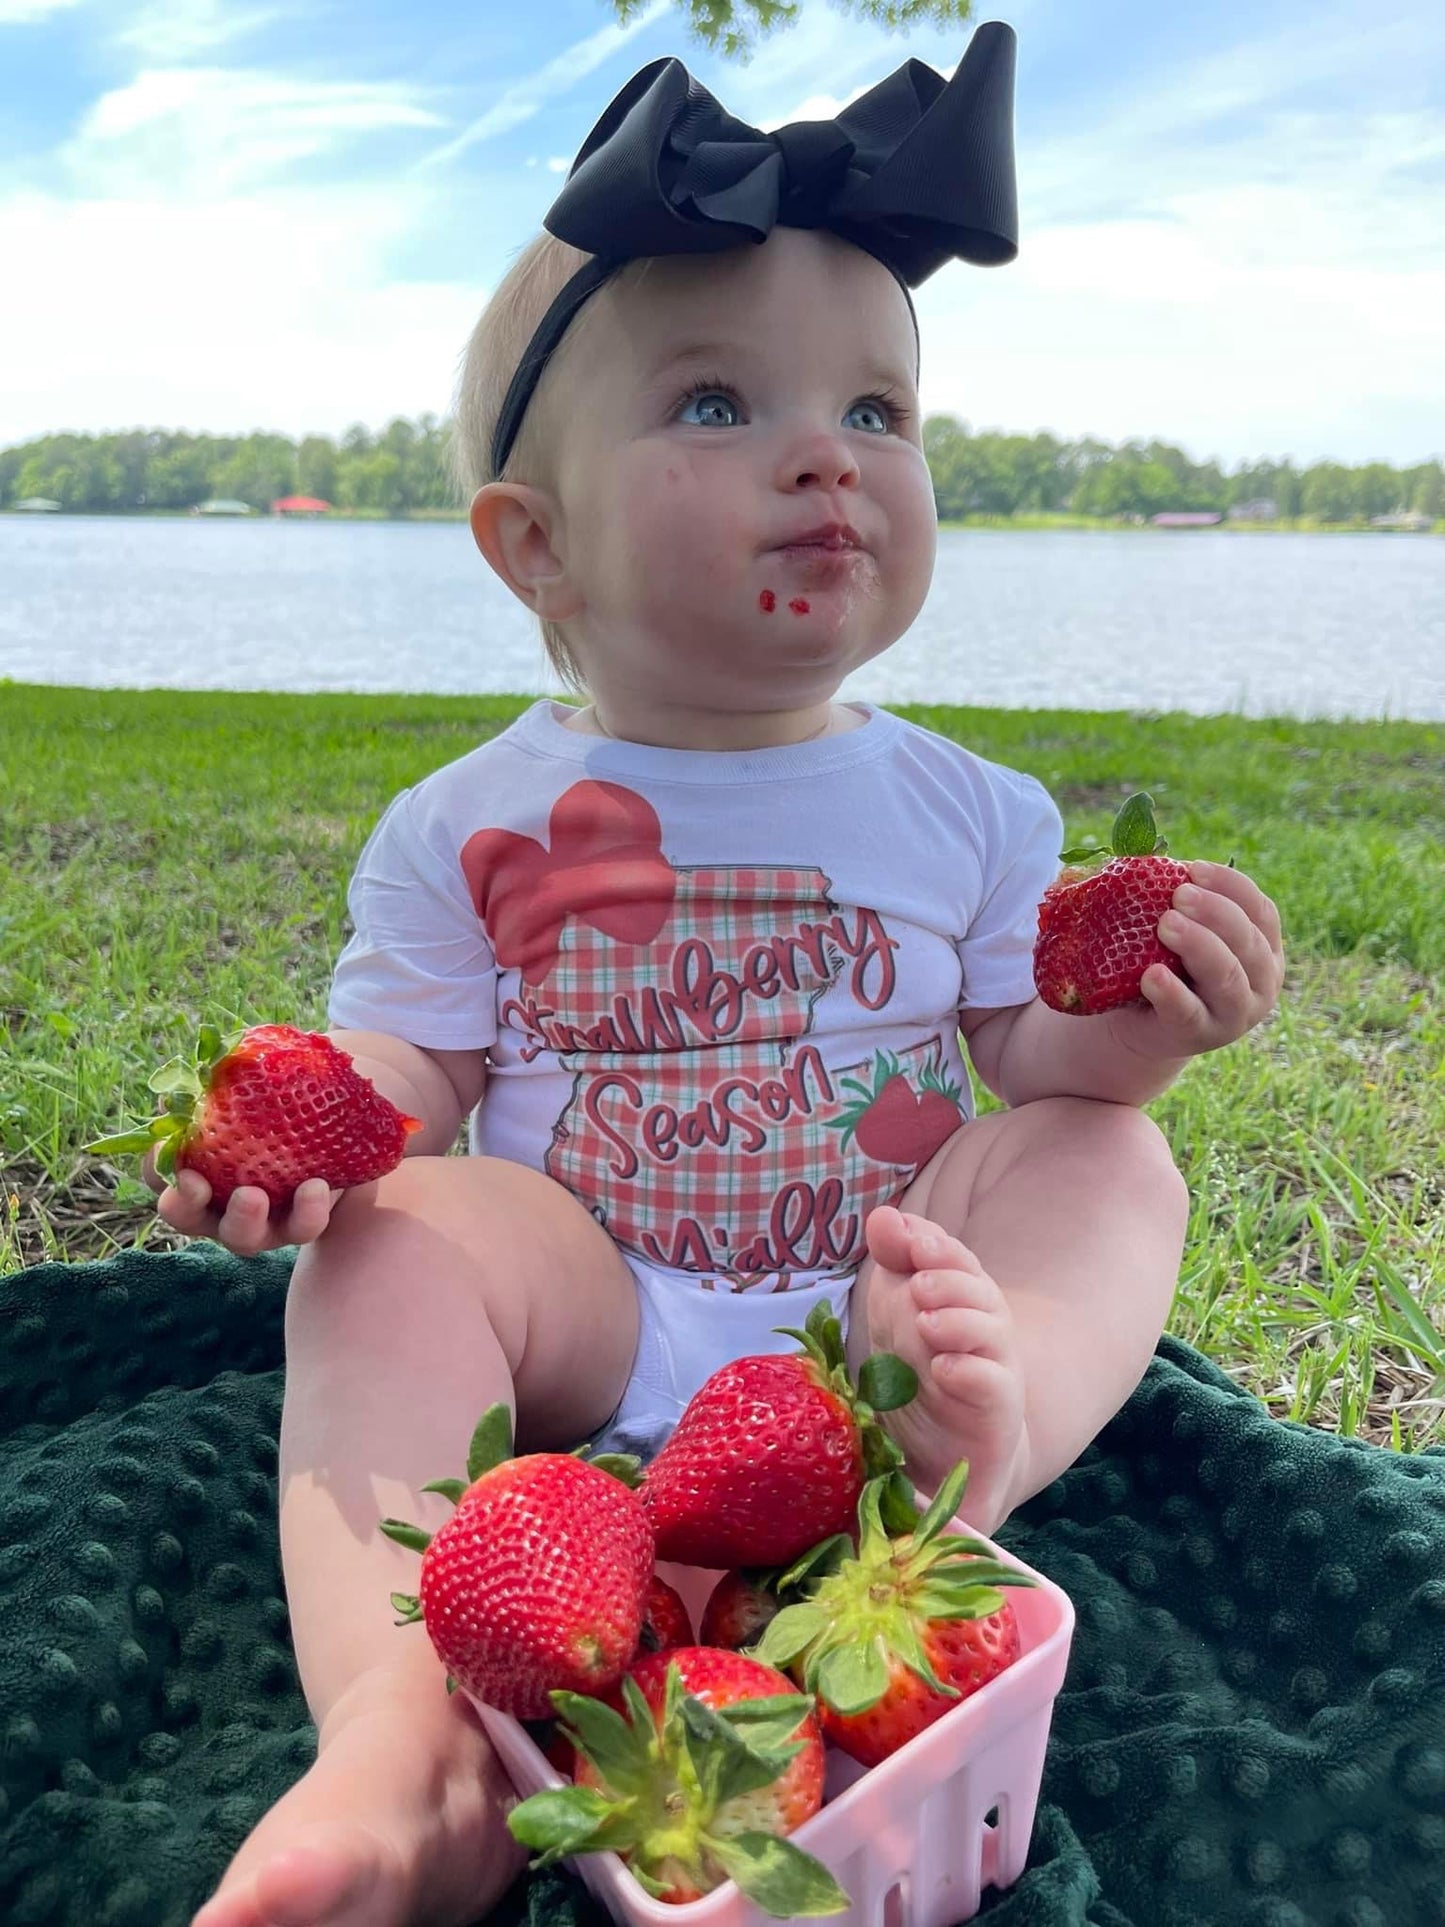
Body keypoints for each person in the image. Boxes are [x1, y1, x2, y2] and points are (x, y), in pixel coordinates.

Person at [162, 26, 1285, 1927]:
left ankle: (944, 1498)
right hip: (590, 1299)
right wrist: (307, 1140)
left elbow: (1029, 1057)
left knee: (1107, 1169)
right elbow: (408, 1071)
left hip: (874, 1295)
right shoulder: (466, 821)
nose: (819, 457)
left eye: (876, 412)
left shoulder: (969, 807)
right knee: (402, 1240)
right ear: (537, 548)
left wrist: (1143, 1021)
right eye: (710, 405)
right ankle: (403, 1731)